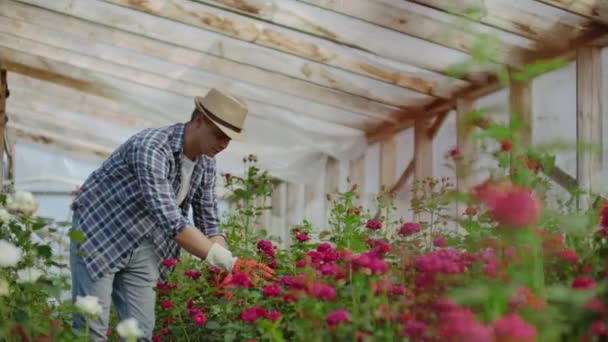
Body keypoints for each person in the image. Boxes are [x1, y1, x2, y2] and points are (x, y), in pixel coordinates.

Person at [69, 88, 274, 340]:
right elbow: (169, 218)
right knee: (91, 329)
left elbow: (209, 222)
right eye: (219, 134)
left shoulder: (206, 162)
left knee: (139, 333)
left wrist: (225, 266)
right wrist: (230, 263)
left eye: (229, 139)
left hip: (144, 241)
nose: (223, 144)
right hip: (100, 234)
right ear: (198, 120)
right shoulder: (152, 148)